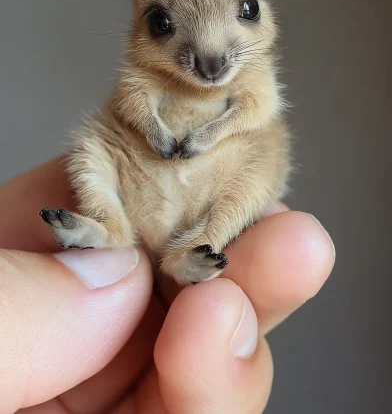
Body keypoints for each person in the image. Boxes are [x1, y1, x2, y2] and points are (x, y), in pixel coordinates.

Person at [0, 157, 335, 413]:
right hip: (135, 192)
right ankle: (103, 231)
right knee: (96, 160)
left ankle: (187, 258)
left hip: (198, 212)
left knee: (256, 186)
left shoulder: (250, 92)